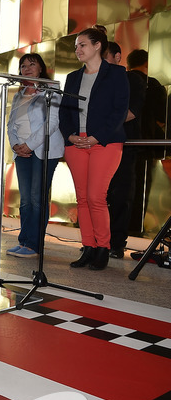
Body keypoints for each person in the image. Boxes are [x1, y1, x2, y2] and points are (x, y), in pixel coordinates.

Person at [59, 27, 129, 271]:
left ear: (98, 45)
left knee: (95, 197)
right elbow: (64, 112)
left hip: (105, 143)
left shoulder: (117, 74)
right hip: (76, 144)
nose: (77, 50)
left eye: (82, 45)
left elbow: (119, 110)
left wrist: (97, 137)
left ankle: (103, 248)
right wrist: (69, 135)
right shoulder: (72, 78)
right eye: (76, 46)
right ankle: (88, 247)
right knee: (81, 198)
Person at [6, 53, 65, 258]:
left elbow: (52, 123)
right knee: (25, 200)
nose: (27, 69)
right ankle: (24, 241)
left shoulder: (52, 90)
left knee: (36, 198)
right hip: (21, 152)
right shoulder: (18, 94)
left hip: (43, 150)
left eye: (32, 64)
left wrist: (29, 145)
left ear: (41, 68)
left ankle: (34, 244)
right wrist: (15, 145)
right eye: (23, 66)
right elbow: (11, 124)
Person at [104, 43, 146, 259]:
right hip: (99, 145)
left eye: (104, 56)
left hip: (124, 146)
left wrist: (101, 126)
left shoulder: (133, 80)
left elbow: (131, 113)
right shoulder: (96, 82)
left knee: (120, 194)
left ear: (118, 57)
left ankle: (116, 243)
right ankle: (98, 241)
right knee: (98, 196)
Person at [125, 49, 166, 236]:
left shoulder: (121, 81)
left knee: (118, 187)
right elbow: (162, 116)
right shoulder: (154, 85)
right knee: (140, 189)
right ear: (147, 64)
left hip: (120, 142)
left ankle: (114, 229)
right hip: (146, 144)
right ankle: (134, 229)